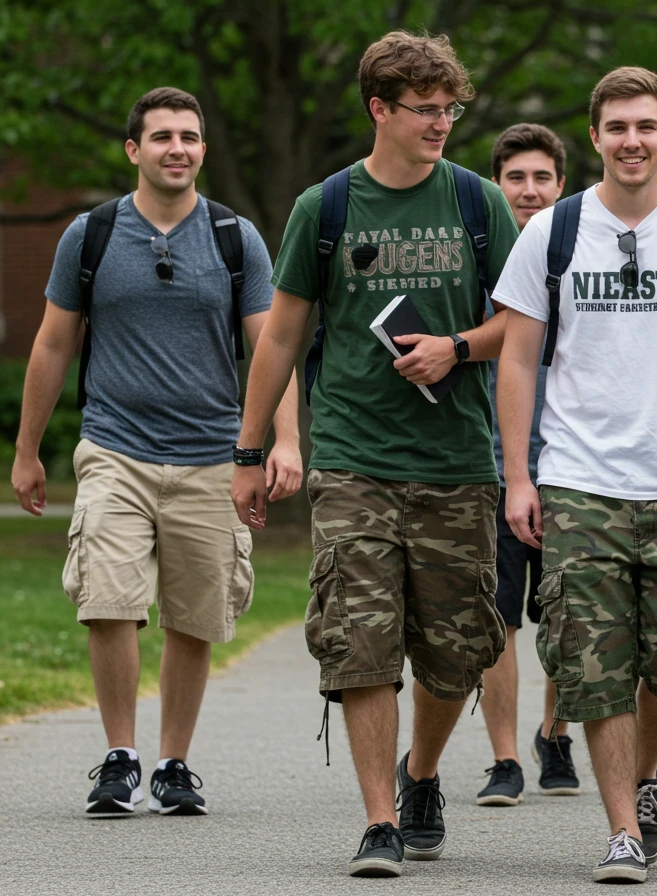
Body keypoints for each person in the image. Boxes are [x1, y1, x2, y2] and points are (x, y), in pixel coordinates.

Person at [229, 32, 519, 877]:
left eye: (449, 108)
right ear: (379, 110)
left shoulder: (478, 203)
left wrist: (458, 347)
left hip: (458, 459)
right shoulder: (325, 207)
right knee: (361, 637)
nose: (441, 123)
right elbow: (282, 331)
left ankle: (422, 769)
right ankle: (380, 820)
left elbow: (521, 324)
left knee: (459, 646)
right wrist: (252, 450)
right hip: (354, 457)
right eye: (425, 109)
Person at [494, 66, 657, 883]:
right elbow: (518, 358)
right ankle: (621, 831)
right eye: (616, 127)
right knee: (596, 664)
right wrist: (519, 476)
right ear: (597, 137)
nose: (632, 141)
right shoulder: (554, 232)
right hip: (580, 482)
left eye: (646, 126)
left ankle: (640, 777)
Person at [10, 87, 302, 818]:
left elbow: (271, 347)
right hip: (115, 448)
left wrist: (280, 441)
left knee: (195, 616)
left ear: (203, 150)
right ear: (134, 150)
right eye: (164, 136)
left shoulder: (237, 238)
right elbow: (52, 342)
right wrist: (27, 450)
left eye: (191, 137)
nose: (179, 147)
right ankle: (121, 757)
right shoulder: (93, 233)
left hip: (212, 455)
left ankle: (173, 763)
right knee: (108, 600)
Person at [477, 122, 579, 806]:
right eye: (516, 177)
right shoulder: (478, 259)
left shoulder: (581, 253)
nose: (530, 189)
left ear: (561, 186)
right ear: (498, 185)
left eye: (542, 177)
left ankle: (556, 733)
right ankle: (505, 757)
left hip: (575, 466)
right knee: (499, 617)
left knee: (573, 615)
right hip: (493, 464)